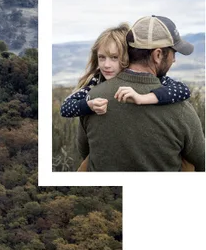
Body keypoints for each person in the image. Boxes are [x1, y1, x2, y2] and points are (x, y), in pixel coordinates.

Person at [77, 15, 205, 171]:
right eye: (173, 53)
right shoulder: (180, 108)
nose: (174, 60)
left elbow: (84, 151)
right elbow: (201, 161)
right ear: (158, 55)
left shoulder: (92, 97)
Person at [60, 23, 190, 119]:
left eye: (114, 58)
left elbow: (183, 90)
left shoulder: (153, 79)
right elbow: (65, 107)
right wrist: (89, 105)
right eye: (102, 57)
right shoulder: (96, 81)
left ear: (127, 56)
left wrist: (144, 98)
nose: (106, 65)